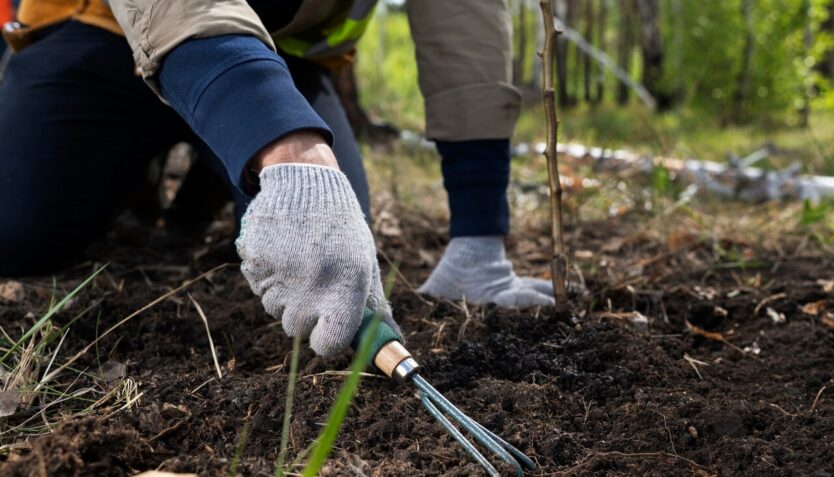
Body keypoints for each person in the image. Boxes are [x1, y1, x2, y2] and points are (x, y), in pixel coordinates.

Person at [0, 0, 554, 358]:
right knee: (19, 229)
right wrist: (291, 151)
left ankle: (219, 162)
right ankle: (142, 169)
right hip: (104, 34)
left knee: (332, 266)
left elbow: (464, 21)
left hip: (278, 55)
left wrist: (478, 237)